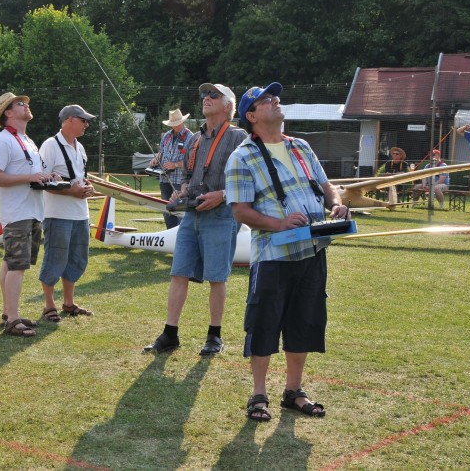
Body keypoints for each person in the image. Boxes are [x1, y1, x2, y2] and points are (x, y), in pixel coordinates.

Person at [226, 82, 349, 422]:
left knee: (304, 321)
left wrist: (336, 205)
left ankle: (294, 391)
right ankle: (259, 394)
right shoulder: (242, 157)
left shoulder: (301, 146)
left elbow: (326, 186)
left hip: (313, 250)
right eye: (266, 100)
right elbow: (240, 211)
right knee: (264, 322)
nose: (275, 101)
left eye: (275, 97)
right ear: (251, 116)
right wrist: (278, 224)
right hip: (273, 256)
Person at [143, 83, 247, 356]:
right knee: (178, 272)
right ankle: (170, 334)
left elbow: (249, 180)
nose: (206, 98)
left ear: (228, 106)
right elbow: (188, 177)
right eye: (204, 95)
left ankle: (214, 336)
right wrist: (182, 191)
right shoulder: (194, 139)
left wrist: (222, 195)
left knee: (217, 277)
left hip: (221, 215)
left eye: (213, 95)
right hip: (192, 214)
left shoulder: (239, 137)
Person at [0, 92, 54, 337]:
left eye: (26, 102)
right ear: (8, 113)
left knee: (11, 262)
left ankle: (9, 313)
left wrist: (48, 177)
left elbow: (32, 173)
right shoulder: (3, 140)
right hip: (17, 212)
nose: (26, 105)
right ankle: (13, 320)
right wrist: (30, 177)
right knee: (17, 266)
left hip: (32, 210)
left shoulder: (27, 140)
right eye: (20, 103)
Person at [38, 104, 97, 323]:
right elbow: (43, 181)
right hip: (57, 213)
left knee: (77, 259)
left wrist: (87, 186)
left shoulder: (79, 148)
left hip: (81, 214)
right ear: (70, 119)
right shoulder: (50, 145)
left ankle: (69, 303)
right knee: (55, 258)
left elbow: (80, 177)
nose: (86, 124)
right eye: (83, 120)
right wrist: (72, 191)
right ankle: (49, 306)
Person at [148, 108, 192, 229]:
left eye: (177, 123)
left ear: (182, 122)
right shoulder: (167, 136)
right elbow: (161, 152)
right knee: (166, 210)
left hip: (180, 181)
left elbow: (192, 161)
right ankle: (169, 233)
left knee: (179, 210)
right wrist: (155, 159)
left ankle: (179, 234)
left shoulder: (190, 137)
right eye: (173, 124)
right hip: (164, 179)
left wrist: (175, 165)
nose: (175, 126)